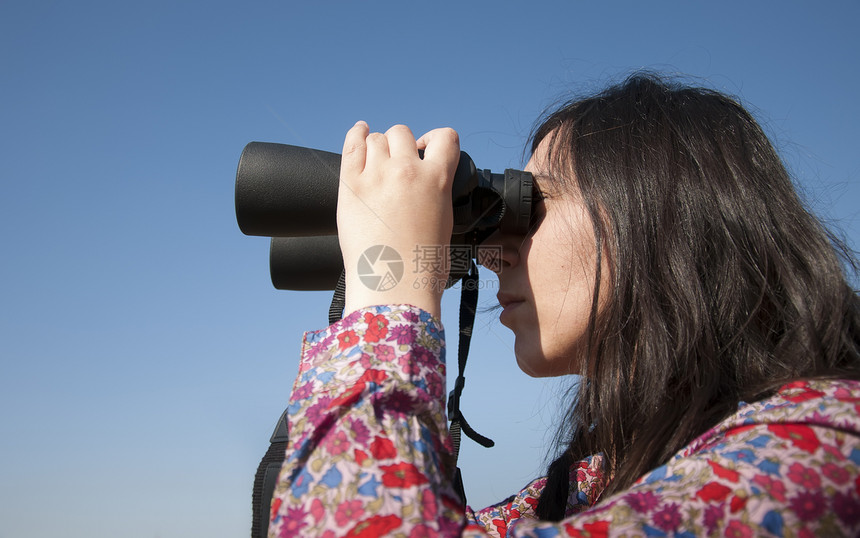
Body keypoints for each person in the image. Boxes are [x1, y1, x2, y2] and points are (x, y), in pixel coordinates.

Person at [267, 74, 860, 537]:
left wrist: (389, 290)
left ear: (656, 218)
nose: (496, 255)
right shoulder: (606, 473)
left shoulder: (817, 457)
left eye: (534, 206)